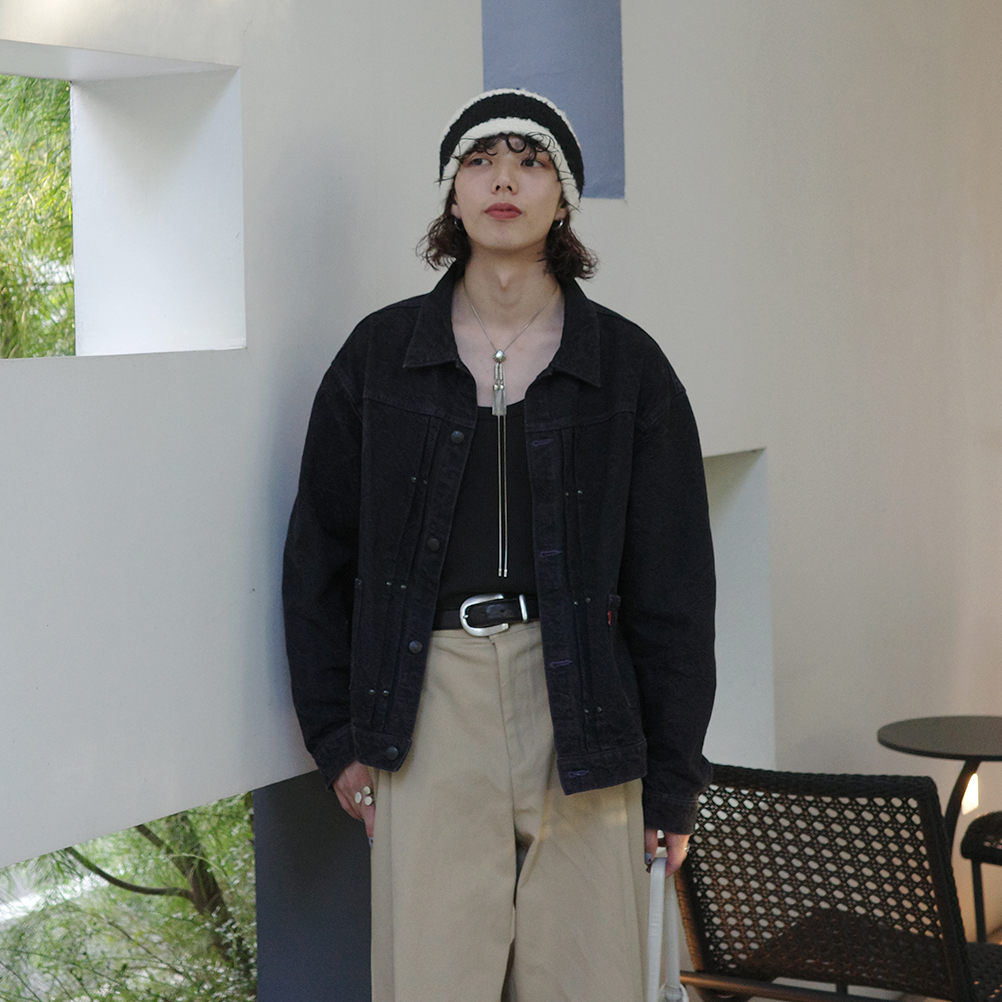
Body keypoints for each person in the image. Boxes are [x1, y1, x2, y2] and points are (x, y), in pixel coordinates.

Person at [283, 89, 716, 1002]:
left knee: (593, 980)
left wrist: (674, 783)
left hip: (585, 700)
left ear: (565, 199)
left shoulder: (628, 367)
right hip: (428, 701)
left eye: (531, 161)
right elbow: (318, 557)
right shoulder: (378, 356)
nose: (504, 181)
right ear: (453, 195)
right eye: (480, 161)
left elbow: (675, 588)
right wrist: (337, 737)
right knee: (433, 979)